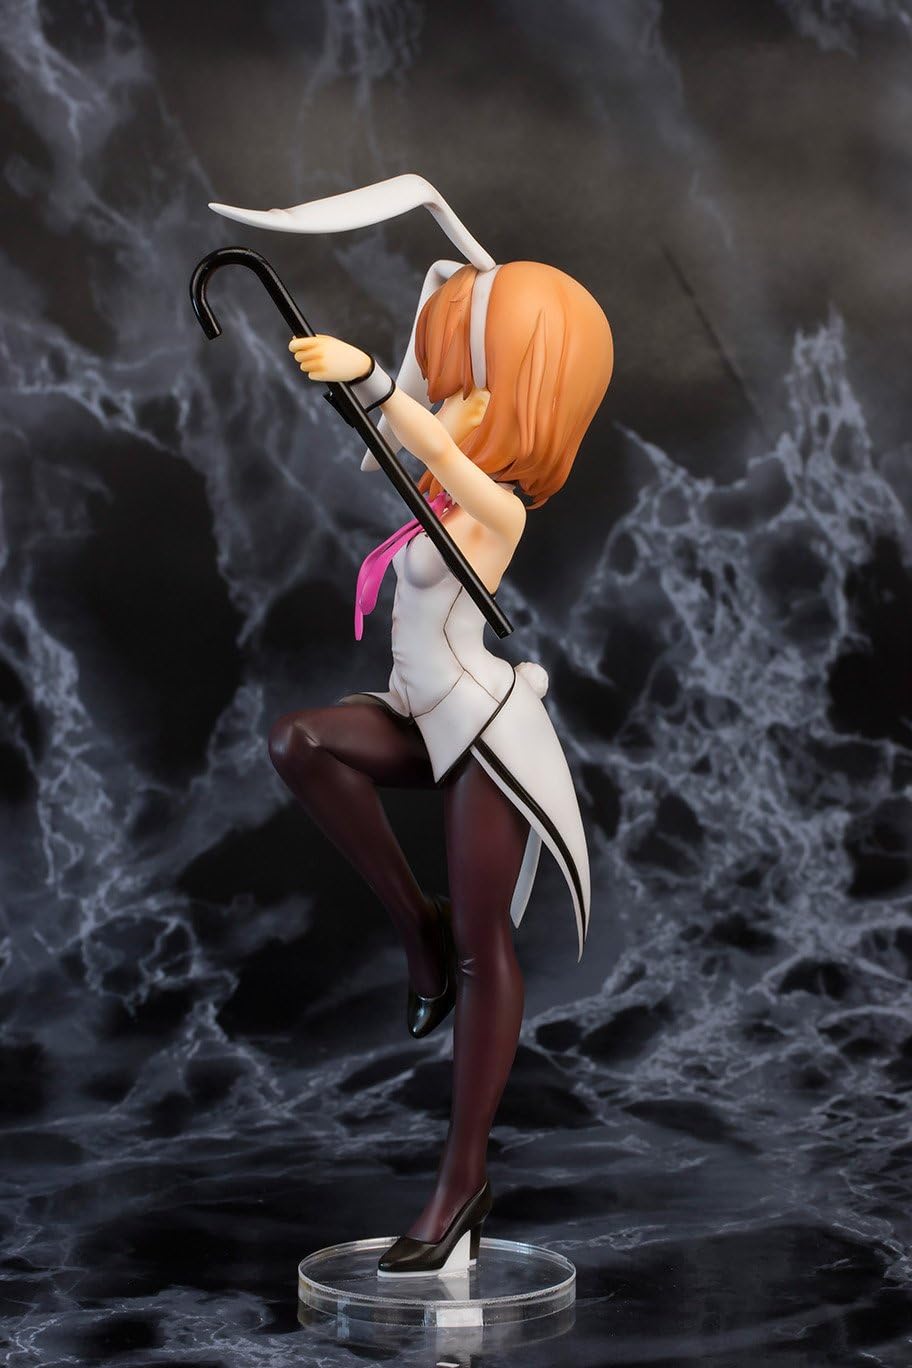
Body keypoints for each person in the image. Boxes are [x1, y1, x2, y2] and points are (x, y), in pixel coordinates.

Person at [209, 179, 614, 1277]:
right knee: (301, 743)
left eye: (482, 387)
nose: (457, 400)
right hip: (413, 716)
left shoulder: (497, 507)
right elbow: (419, 440)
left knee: (489, 952)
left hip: (483, 735)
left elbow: (446, 451)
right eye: (451, 382)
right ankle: (415, 926)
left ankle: (460, 1181)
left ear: (526, 408)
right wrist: (383, 393)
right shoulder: (432, 493)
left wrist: (381, 385)